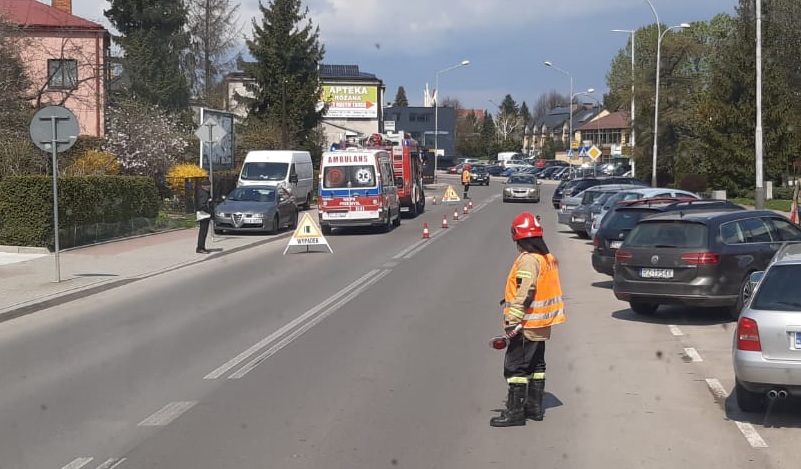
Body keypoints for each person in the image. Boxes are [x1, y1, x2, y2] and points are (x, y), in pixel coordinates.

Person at [490, 212, 566, 427]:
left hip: (526, 324)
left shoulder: (528, 261)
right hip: (541, 324)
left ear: (519, 237)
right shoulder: (546, 258)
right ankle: (534, 408)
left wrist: (513, 321)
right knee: (536, 366)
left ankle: (515, 412)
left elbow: (526, 291)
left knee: (516, 369)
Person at [196, 179, 213, 254]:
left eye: (209, 185)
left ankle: (202, 247)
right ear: (203, 186)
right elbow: (202, 205)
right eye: (207, 186)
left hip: (204, 214)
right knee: (203, 232)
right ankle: (200, 248)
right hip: (203, 214)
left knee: (204, 232)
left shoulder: (205, 192)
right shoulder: (203, 193)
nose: (209, 187)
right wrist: (210, 211)